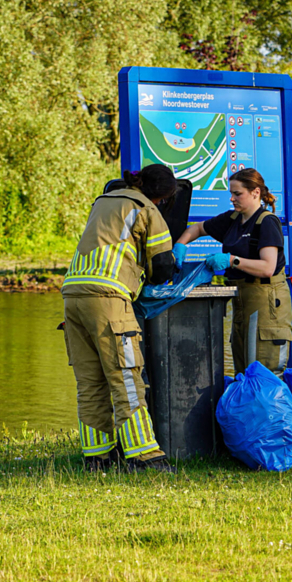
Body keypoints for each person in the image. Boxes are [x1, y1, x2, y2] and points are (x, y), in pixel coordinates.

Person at [61, 165, 179, 473]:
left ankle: (97, 458)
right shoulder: (146, 208)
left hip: (72, 296)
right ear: (163, 197)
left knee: (90, 382)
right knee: (126, 378)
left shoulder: (104, 200)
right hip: (108, 300)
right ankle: (144, 456)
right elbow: (163, 265)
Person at [174, 168, 292, 376]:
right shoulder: (233, 219)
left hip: (267, 304)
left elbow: (267, 267)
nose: (232, 199)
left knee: (265, 371)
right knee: (243, 368)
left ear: (255, 192)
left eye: (237, 194)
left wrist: (232, 260)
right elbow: (199, 228)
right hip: (242, 301)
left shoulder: (266, 222)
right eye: (231, 193)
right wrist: (181, 245)